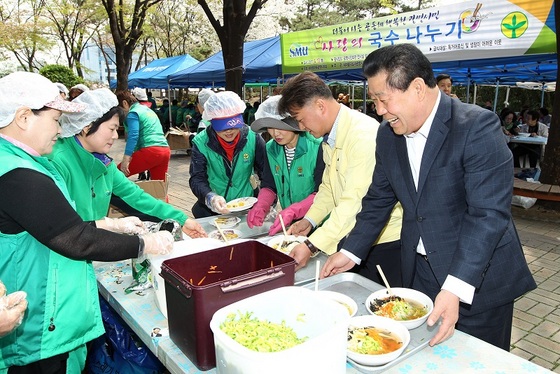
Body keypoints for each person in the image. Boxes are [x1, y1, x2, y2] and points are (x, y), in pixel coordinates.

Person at [322, 43, 536, 351]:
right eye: (375, 100)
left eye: (384, 99)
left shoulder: (476, 127)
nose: (379, 110)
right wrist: (351, 252)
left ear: (418, 88)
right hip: (421, 272)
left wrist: (456, 288)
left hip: (478, 278)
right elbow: (378, 200)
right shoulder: (388, 135)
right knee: (423, 355)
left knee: (476, 361)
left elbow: (488, 215)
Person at [0, 72, 173, 372]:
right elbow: (75, 239)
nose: (60, 128)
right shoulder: (18, 173)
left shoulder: (23, 162)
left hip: (42, 312)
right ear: (24, 117)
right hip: (34, 321)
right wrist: (145, 243)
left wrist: (111, 225)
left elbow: (53, 229)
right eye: (55, 119)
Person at [277, 72, 403, 287]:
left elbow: (354, 202)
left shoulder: (362, 135)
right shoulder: (330, 136)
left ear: (320, 106)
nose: (302, 127)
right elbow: (328, 187)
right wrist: (310, 220)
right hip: (353, 234)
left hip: (383, 241)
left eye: (300, 119)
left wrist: (311, 245)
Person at [49, 88, 206, 238]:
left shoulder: (103, 164)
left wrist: (182, 219)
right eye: (112, 129)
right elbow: (62, 229)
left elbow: (135, 195)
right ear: (87, 126)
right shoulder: (58, 162)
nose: (116, 136)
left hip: (88, 246)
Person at [247, 95, 325, 236]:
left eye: (280, 127)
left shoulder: (317, 146)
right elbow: (269, 184)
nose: (275, 133)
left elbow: (322, 191)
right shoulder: (271, 148)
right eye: (270, 128)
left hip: (319, 222)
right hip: (290, 222)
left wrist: (296, 209)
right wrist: (262, 204)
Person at [189, 91, 266, 218]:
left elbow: (265, 173)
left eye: (234, 125)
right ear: (212, 122)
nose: (229, 131)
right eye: (222, 126)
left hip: (247, 205)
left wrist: (265, 202)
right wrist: (210, 197)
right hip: (214, 210)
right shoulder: (201, 142)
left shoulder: (253, 138)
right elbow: (197, 178)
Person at [115, 90, 170, 181]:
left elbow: (133, 135)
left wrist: (126, 158)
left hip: (150, 151)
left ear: (125, 103)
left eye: (120, 110)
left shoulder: (132, 113)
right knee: (160, 189)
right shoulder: (147, 110)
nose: (121, 114)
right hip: (165, 151)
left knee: (115, 176)